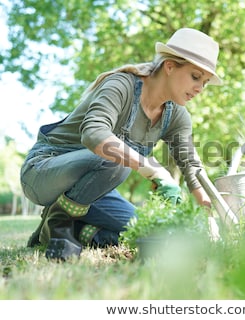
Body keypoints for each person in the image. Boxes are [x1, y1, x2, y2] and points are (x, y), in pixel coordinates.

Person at [20, 28, 222, 260]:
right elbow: (94, 135)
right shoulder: (122, 85)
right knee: (116, 158)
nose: (200, 88)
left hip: (93, 188)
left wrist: (209, 217)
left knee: (148, 232)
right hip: (44, 171)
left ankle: (66, 231)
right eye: (195, 77)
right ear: (169, 66)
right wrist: (153, 169)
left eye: (205, 82)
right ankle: (60, 222)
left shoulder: (176, 115)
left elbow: (191, 167)